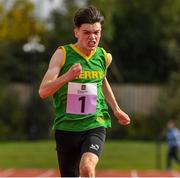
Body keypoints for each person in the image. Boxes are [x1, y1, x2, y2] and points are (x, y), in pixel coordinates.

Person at [39, 5, 130, 177]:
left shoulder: (104, 57)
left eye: (97, 32)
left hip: (94, 123)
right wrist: (67, 77)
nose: (93, 37)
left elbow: (102, 81)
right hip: (66, 127)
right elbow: (43, 91)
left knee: (87, 167)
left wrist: (116, 109)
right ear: (76, 32)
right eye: (87, 32)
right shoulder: (62, 54)